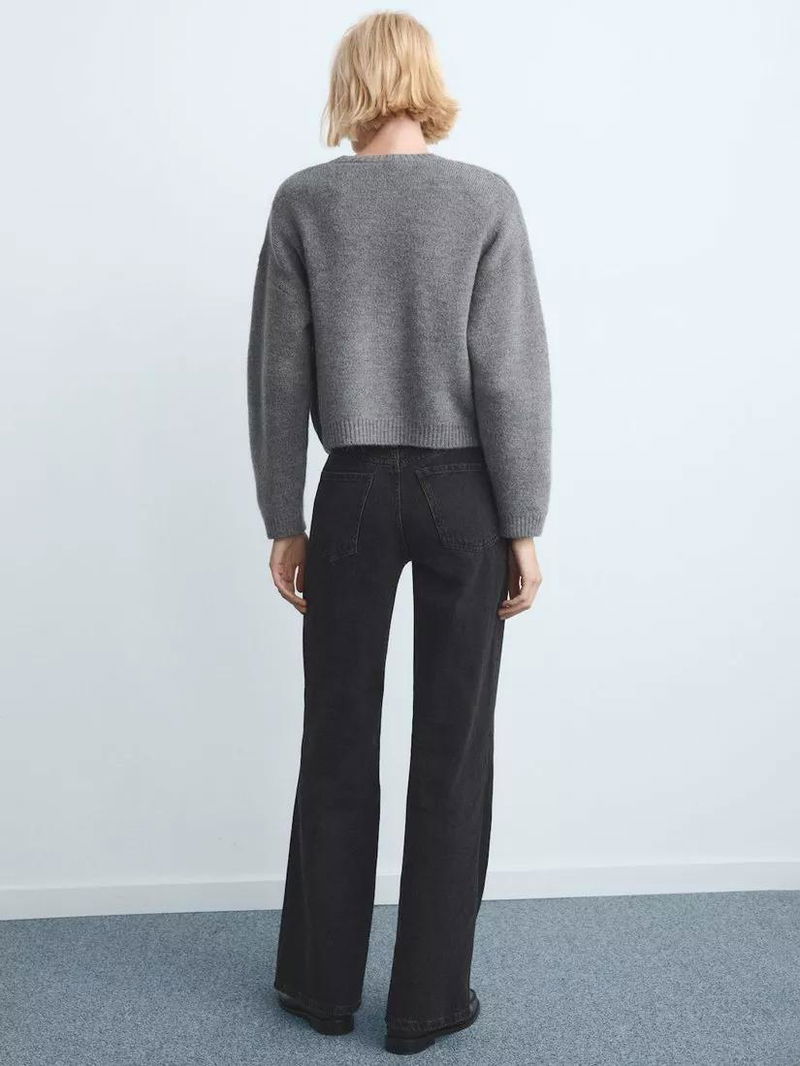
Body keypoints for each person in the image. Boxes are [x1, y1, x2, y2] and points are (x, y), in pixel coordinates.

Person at [247, 10, 551, 1055]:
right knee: (453, 746)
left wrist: (283, 515)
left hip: (353, 493)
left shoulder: (305, 201)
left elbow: (279, 375)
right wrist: (522, 522)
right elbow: (509, 375)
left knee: (336, 734)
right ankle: (426, 1003)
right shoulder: (483, 199)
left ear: (351, 85)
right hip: (466, 496)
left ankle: (320, 988)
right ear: (426, 80)